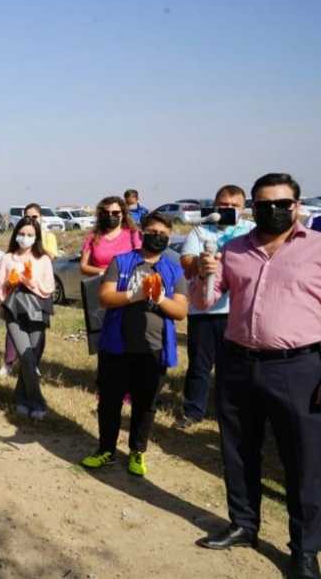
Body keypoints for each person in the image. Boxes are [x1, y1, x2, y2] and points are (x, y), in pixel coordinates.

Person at [192, 173, 321, 579]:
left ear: (296, 206)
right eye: (265, 204)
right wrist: (202, 273)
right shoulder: (233, 250)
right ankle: (244, 525)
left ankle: (304, 549)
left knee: (303, 461)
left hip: (298, 367)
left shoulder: (317, 249)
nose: (274, 211)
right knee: (238, 450)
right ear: (252, 207)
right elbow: (205, 300)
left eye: (283, 204)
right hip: (238, 364)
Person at [80, 212, 188, 477]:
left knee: (145, 404)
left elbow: (180, 311)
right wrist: (135, 294)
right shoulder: (123, 261)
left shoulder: (174, 270)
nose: (158, 237)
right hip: (116, 346)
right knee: (110, 402)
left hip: (154, 348)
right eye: (152, 231)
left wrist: (159, 298)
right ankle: (105, 450)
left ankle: (137, 452)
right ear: (142, 232)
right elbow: (105, 297)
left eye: (163, 234)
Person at [175, 185, 253, 429]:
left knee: (235, 368)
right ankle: (192, 412)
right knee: (199, 365)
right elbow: (186, 262)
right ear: (215, 205)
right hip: (204, 313)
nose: (228, 209)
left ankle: (230, 412)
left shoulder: (251, 232)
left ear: (243, 208)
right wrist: (200, 262)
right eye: (223, 204)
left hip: (239, 312)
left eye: (234, 206)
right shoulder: (200, 230)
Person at [0, 217, 55, 420]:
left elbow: (48, 287)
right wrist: (11, 283)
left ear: (36, 237)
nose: (25, 238)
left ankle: (21, 398)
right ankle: (38, 402)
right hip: (14, 311)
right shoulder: (8, 258)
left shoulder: (43, 259)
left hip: (37, 311)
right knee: (26, 357)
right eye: (22, 233)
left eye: (30, 235)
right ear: (15, 234)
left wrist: (30, 281)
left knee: (32, 359)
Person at [80, 196, 142, 277]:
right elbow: (83, 267)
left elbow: (141, 262)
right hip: (101, 285)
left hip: (127, 284)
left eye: (115, 213)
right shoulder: (93, 236)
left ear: (123, 214)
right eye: (106, 213)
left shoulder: (133, 234)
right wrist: (107, 272)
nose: (110, 215)